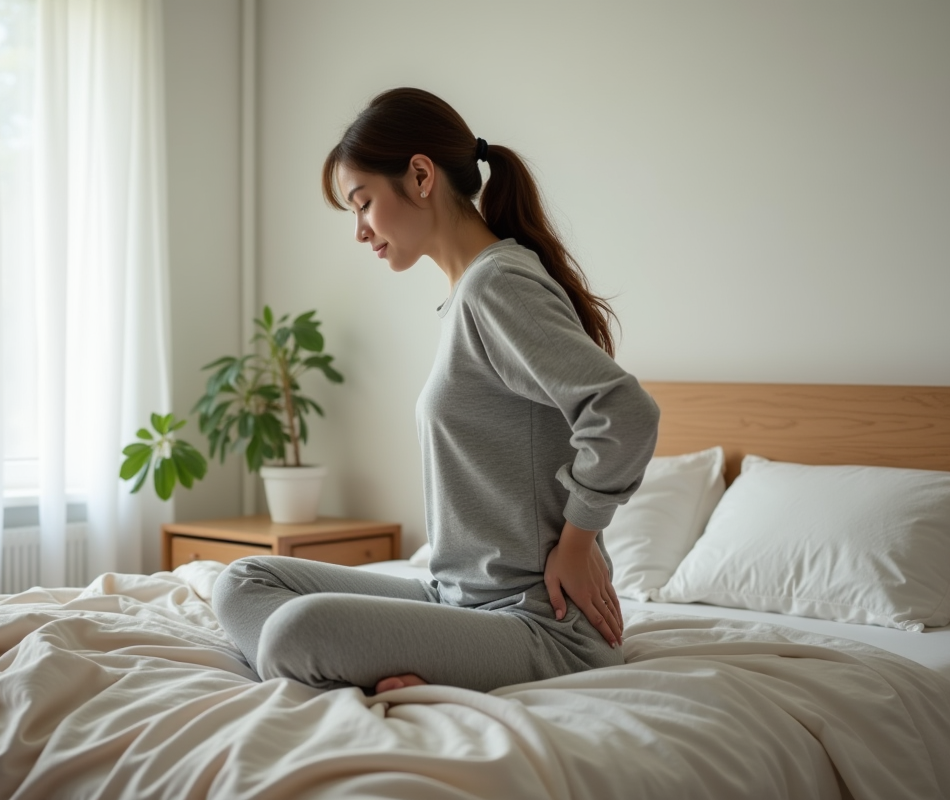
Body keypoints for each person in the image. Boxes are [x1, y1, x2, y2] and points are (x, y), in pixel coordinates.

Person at [212, 88, 659, 694]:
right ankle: (366, 668)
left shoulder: (497, 285)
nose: (359, 230)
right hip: (456, 599)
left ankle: (340, 668)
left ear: (420, 175)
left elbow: (623, 411)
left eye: (362, 203)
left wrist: (577, 545)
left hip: (541, 626)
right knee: (243, 580)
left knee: (296, 630)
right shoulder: (470, 293)